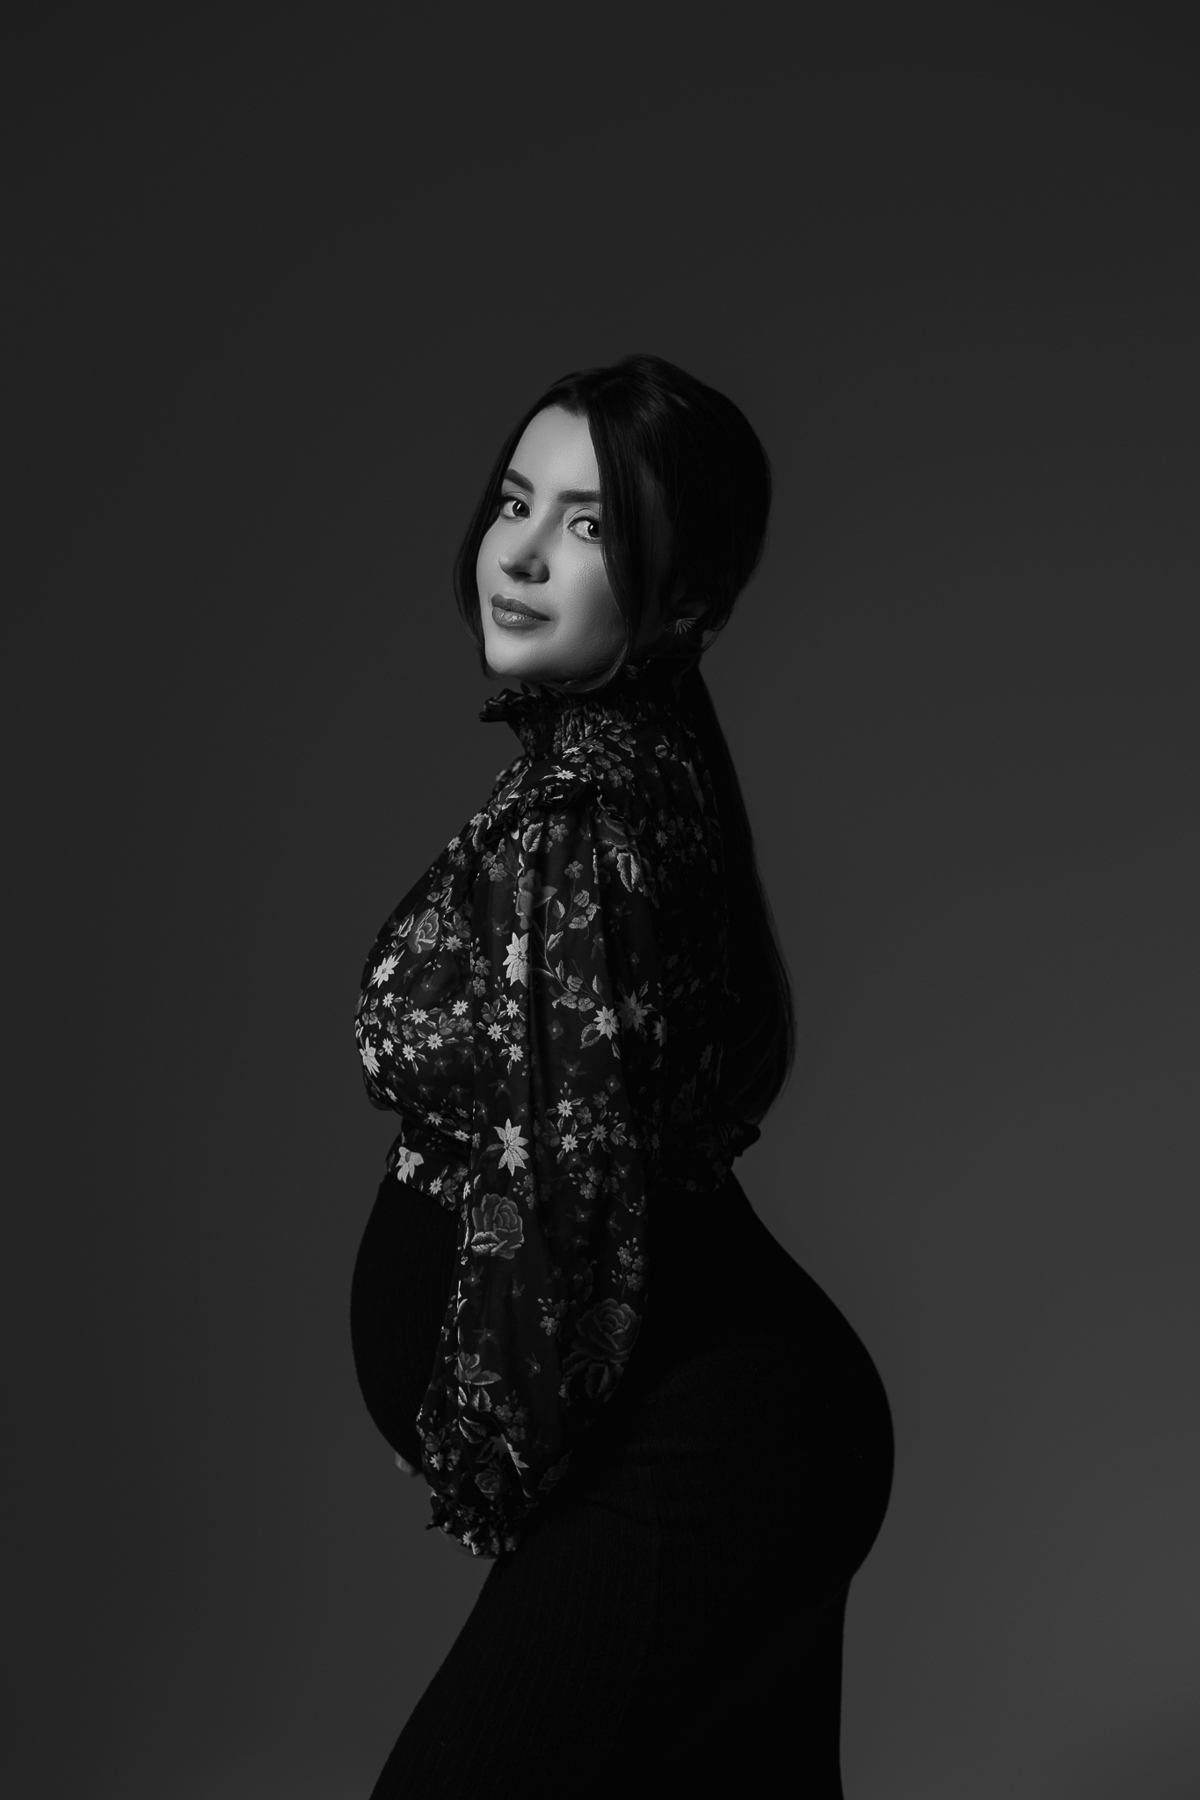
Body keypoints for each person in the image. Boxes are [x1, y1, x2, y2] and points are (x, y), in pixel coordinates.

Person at [349, 354, 893, 1797]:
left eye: (589, 524)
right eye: (514, 501)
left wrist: (482, 1443)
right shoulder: (628, 768)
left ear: (687, 598)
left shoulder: (582, 817)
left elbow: (571, 1186)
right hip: (754, 1437)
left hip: (709, 1453)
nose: (521, 553)